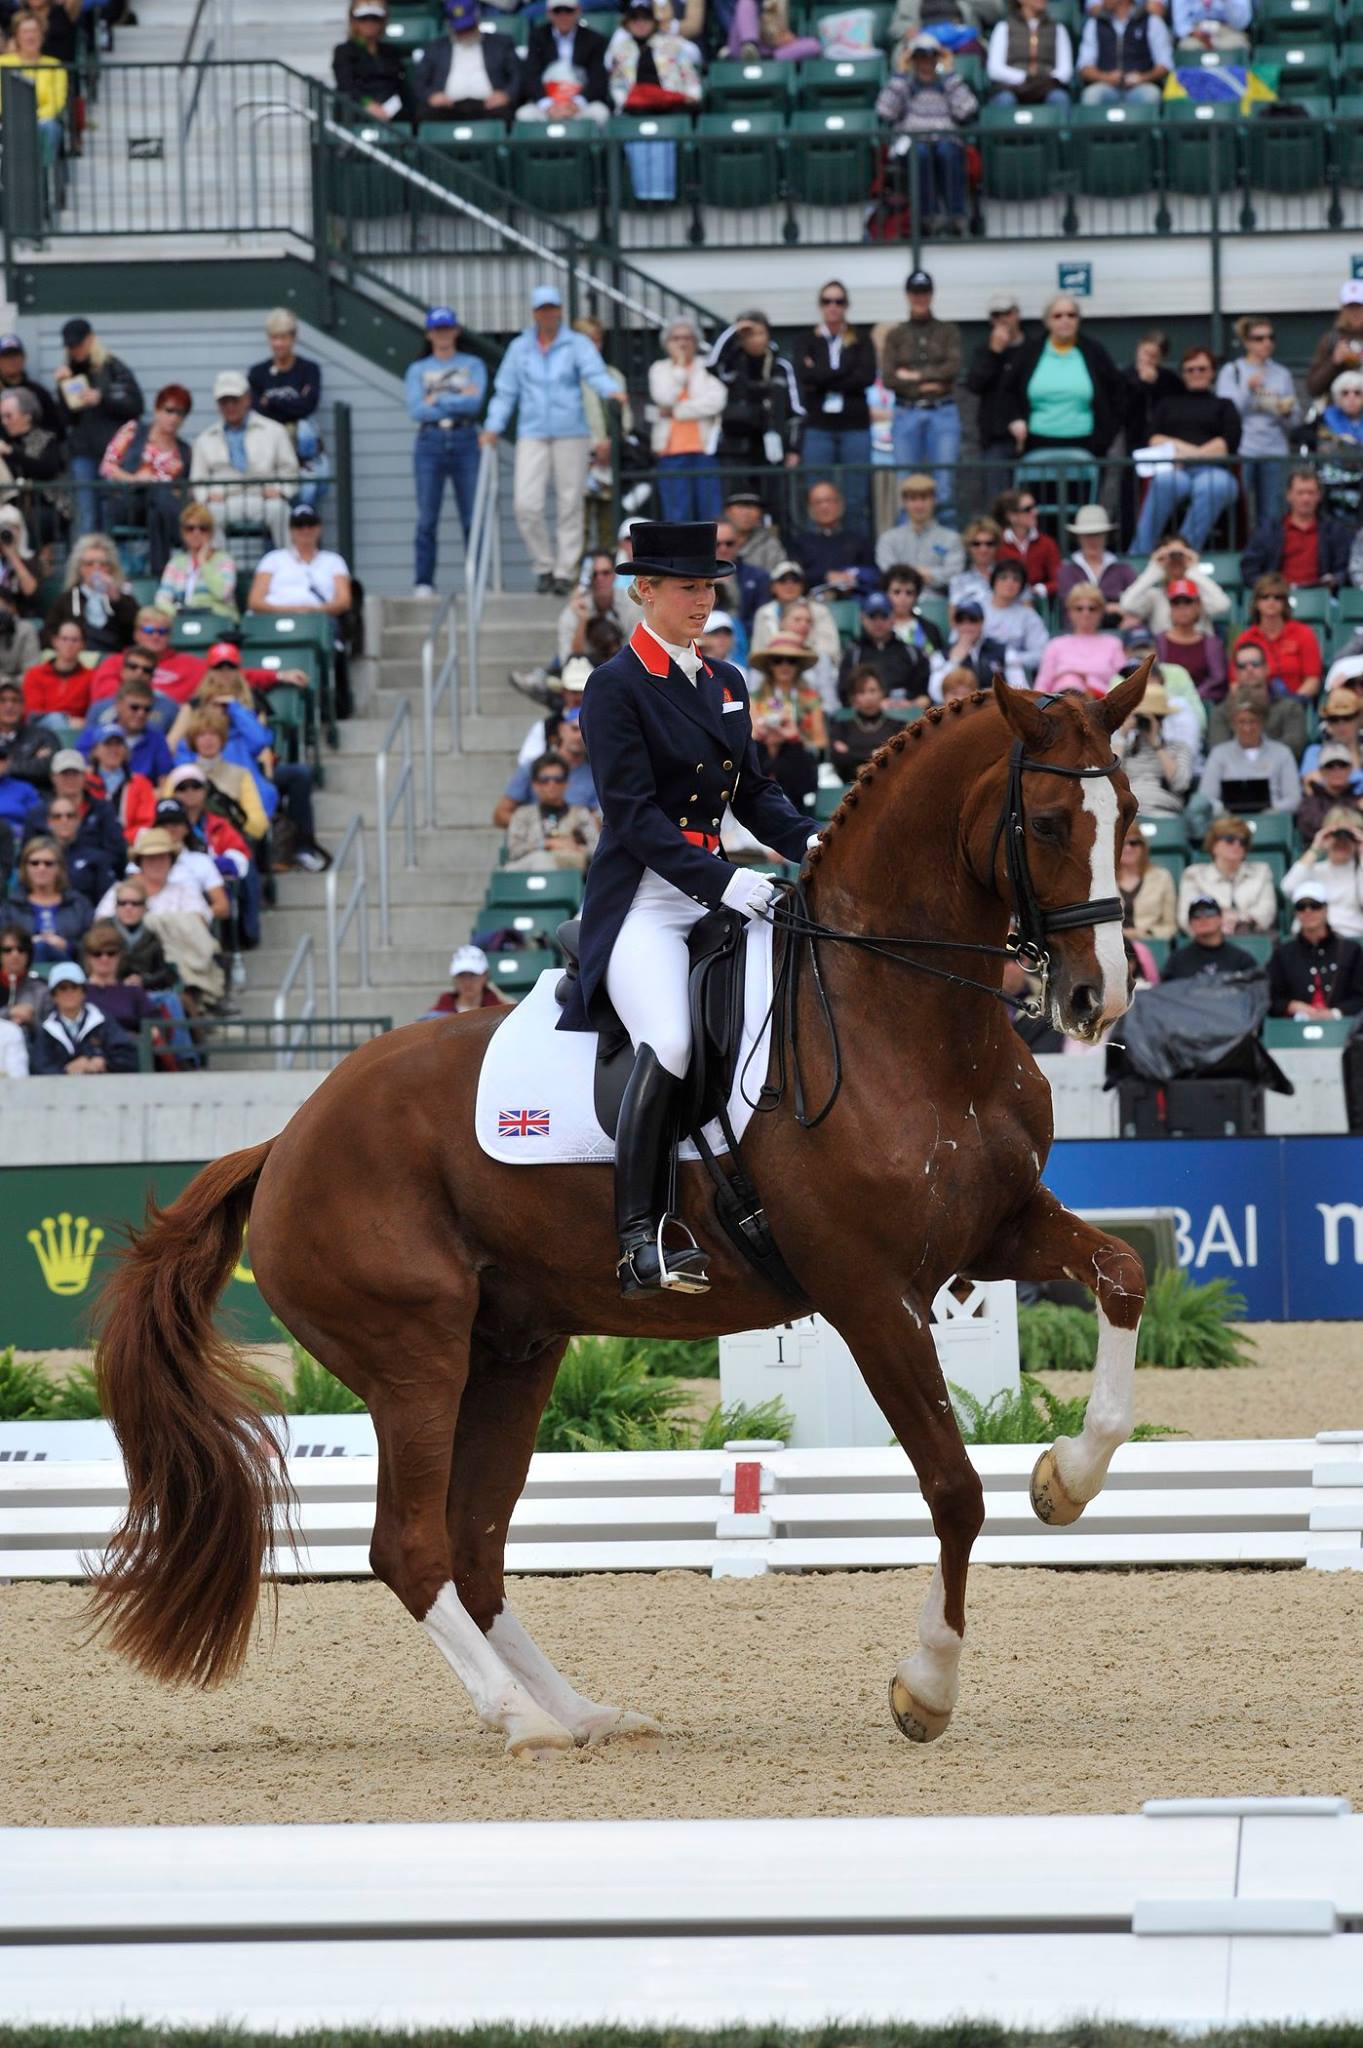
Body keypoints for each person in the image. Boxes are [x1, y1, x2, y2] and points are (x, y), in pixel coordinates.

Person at [556, 519, 818, 1296]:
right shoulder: (614, 685)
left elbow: (757, 796)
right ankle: (641, 1238)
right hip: (645, 899)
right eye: (686, 587)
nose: (701, 601)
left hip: (714, 887)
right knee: (669, 1041)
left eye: (707, 587)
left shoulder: (727, 682)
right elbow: (631, 817)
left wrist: (820, 846)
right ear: (645, 590)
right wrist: (721, 878)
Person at [481, 285, 621, 596]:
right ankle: (543, 564)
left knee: (570, 501)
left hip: (571, 430)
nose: (548, 314)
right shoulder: (520, 347)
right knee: (526, 504)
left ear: (560, 311)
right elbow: (506, 391)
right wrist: (493, 426)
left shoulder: (576, 343)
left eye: (553, 308)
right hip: (532, 432)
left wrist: (611, 390)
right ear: (534, 313)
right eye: (542, 309)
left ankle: (564, 570)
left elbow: (594, 372)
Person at [406, 305, 487, 596]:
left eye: (447, 328)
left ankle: (478, 580)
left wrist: (436, 398)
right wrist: (456, 395)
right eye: (437, 329)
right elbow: (416, 409)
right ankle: (424, 581)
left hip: (465, 437)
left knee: (471, 516)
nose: (443, 334)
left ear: (456, 331)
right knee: (427, 517)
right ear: (429, 334)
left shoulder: (473, 364)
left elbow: (474, 404)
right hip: (430, 442)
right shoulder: (418, 368)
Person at [1131, 345, 1242, 556]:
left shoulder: (1224, 405)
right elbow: (1154, 438)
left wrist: (1183, 452)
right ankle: (1139, 553)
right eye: (1190, 369)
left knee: (1214, 486)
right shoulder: (1168, 404)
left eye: (1202, 369)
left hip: (1212, 471)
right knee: (1164, 482)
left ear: (1212, 372)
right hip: (1174, 469)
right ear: (1183, 373)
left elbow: (1227, 443)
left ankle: (1181, 553)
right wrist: (1193, 452)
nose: (1196, 374)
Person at [876, 39, 978, 246]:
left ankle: (955, 217)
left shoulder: (948, 83)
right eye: (919, 58)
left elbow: (967, 108)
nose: (925, 63)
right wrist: (900, 74)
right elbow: (885, 111)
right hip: (913, 141)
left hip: (945, 139)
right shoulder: (904, 84)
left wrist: (950, 75)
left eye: (930, 58)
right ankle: (927, 218)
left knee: (947, 151)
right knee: (920, 154)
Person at [1002, 293, 1123, 461]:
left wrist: (1105, 437)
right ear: (1047, 321)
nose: (1065, 320)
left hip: (1086, 442)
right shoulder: (1030, 352)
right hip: (1037, 441)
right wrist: (1015, 419)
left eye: (1071, 315)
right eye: (1057, 316)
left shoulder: (1093, 351)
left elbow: (1116, 392)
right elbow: (1008, 391)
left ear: (1078, 320)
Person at [52, 318, 144, 535]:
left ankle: (108, 564)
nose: (75, 350)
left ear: (91, 340)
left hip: (114, 454)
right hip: (83, 454)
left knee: (110, 513)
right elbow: (65, 420)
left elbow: (136, 406)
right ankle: (85, 564)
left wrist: (102, 398)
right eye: (71, 346)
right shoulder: (69, 374)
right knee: (86, 514)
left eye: (79, 344)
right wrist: (62, 388)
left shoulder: (114, 368)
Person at [795, 284, 876, 524]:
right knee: (817, 493)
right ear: (820, 305)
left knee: (855, 495)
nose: (833, 306)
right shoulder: (805, 339)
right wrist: (845, 372)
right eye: (827, 301)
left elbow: (866, 376)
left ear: (846, 305)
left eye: (839, 301)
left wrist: (821, 375)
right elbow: (804, 376)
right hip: (819, 424)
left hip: (855, 424)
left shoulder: (861, 338)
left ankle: (856, 553)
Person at [880, 271, 962, 510]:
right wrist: (929, 382)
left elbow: (953, 368)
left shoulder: (948, 331)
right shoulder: (896, 334)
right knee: (906, 483)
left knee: (944, 483)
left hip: (942, 410)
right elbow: (889, 377)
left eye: (924, 292)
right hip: (906, 411)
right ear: (907, 295)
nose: (920, 298)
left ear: (931, 295)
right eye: (915, 293)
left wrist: (915, 376)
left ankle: (943, 544)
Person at [190, 370, 299, 548]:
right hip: (224, 500)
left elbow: (290, 469)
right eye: (224, 401)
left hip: (264, 498)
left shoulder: (274, 430)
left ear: (247, 399)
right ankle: (220, 571)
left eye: (235, 400)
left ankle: (290, 567)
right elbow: (198, 480)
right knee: (207, 516)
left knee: (281, 510)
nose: (230, 406)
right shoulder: (205, 439)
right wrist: (207, 496)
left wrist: (280, 490)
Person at [705, 310, 804, 504]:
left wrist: (794, 448)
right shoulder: (731, 364)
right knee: (737, 501)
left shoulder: (782, 366)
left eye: (760, 333)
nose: (755, 340)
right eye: (748, 334)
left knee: (773, 502)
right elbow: (711, 364)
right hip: (735, 446)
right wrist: (733, 330)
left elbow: (797, 411)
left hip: (771, 445)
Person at [1213, 318, 1297, 535]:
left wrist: (1285, 411)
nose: (1266, 343)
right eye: (1259, 338)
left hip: (1274, 450)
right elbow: (1227, 413)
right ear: (1246, 342)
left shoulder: (1282, 373)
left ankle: (1270, 557)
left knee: (1272, 512)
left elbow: (1295, 418)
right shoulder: (1232, 371)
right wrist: (1248, 389)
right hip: (1243, 450)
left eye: (1270, 338)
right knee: (1238, 510)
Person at [98, 384, 193, 576]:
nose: (174, 418)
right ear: (157, 409)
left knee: (158, 505)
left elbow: (184, 488)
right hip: (128, 501)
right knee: (158, 491)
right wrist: (133, 478)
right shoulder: (134, 431)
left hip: (159, 511)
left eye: (180, 414)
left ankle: (160, 571)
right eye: (169, 410)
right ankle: (188, 541)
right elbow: (107, 467)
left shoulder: (183, 450)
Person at [647, 318, 726, 524]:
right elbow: (664, 397)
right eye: (676, 338)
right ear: (667, 343)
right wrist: (680, 368)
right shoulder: (659, 368)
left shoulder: (706, 366)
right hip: (671, 452)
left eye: (688, 338)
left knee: (709, 513)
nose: (682, 343)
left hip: (704, 450)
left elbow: (716, 400)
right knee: (677, 515)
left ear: (696, 341)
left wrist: (677, 411)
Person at [1242, 467, 1351, 593]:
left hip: (1321, 597)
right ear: (1289, 495)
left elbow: (1344, 569)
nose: (1306, 499)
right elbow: (1249, 569)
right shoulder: (1268, 531)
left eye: (1311, 493)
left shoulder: (1335, 531)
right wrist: (1269, 588)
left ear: (1319, 496)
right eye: (1300, 493)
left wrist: (1335, 580)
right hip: (1279, 599)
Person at [966, 293, 1027, 506]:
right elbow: (974, 384)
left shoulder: (1031, 348)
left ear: (1017, 315)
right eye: (996, 315)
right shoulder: (983, 350)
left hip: (1029, 438)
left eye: (1007, 313)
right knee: (998, 502)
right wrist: (994, 352)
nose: (1002, 319)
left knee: (1027, 501)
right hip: (995, 438)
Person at [412, 0, 521, 119]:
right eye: (460, 29)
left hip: (489, 106)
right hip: (447, 107)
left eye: (468, 27)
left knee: (505, 112)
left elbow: (518, 75)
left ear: (477, 19)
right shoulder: (436, 47)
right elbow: (419, 81)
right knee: (424, 113)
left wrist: (507, 95)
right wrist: (431, 96)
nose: (465, 33)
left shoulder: (501, 44)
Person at [1269, 884, 1363, 1017]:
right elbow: (1269, 998)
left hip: (1343, 1029)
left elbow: (1360, 996)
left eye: (1315, 905)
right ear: (1295, 913)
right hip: (1295, 1029)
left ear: (1325, 909)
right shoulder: (1283, 953)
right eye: (1301, 907)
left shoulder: (1351, 950)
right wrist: (1291, 1006)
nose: (1308, 911)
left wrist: (1335, 1013)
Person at [30, 960, 137, 1075]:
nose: (69, 993)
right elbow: (39, 1067)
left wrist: (103, 1062)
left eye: (74, 987)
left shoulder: (102, 1021)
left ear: (84, 992)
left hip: (103, 1088)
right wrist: (66, 1071)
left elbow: (128, 1057)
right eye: (63, 988)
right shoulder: (47, 1029)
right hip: (60, 1091)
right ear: (54, 996)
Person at [247, 503, 352, 619]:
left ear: (319, 528)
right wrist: (290, 611)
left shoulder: (334, 560)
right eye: (299, 525)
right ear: (291, 530)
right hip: (275, 620)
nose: (305, 529)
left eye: (310, 524)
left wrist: (316, 611)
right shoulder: (272, 559)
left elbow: (344, 601)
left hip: (318, 620)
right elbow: (255, 601)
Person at [1177, 816, 1278, 933]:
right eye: (1230, 840)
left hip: (1250, 936)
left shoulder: (1261, 872)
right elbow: (1186, 918)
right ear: (1214, 845)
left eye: (1243, 842)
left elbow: (1266, 914)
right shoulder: (1194, 875)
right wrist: (1219, 922)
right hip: (1208, 939)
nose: (1237, 845)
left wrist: (1237, 919)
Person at [504, 749, 600, 871]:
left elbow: (596, 850)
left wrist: (576, 847)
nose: (552, 784)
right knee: (541, 860)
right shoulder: (523, 814)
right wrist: (548, 844)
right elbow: (513, 851)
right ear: (535, 784)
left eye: (558, 779)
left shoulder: (581, 814)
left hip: (571, 872)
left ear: (566, 783)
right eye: (545, 780)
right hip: (526, 875)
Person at [1233, 573, 1323, 702]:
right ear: (1256, 602)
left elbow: (1312, 680)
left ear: (1285, 603)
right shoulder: (1245, 638)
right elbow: (1235, 683)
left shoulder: (1304, 633)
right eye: (1265, 597)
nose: (1271, 601)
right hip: (1255, 708)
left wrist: (1292, 704)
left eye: (1278, 597)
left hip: (1295, 705)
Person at [44, 533, 138, 655]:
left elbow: (136, 631)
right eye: (89, 564)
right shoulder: (66, 599)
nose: (96, 569)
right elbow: (49, 634)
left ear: (110, 568)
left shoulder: (122, 598)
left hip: (115, 658)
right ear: (80, 568)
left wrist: (117, 599)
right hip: (78, 659)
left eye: (103, 564)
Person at [1111, 676, 1193, 815]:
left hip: (1165, 811)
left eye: (1156, 717)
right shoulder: (1123, 748)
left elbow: (1180, 784)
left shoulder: (1179, 748)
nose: (1146, 722)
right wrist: (1122, 735)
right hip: (1128, 813)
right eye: (1141, 717)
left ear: (1162, 720)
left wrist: (1157, 745)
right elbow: (1110, 780)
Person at [518, 0, 611, 122]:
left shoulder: (594, 39)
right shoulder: (537, 36)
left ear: (578, 11)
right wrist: (548, 105)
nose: (563, 16)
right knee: (524, 115)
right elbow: (531, 75)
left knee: (600, 113)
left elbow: (597, 78)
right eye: (557, 11)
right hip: (547, 102)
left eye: (568, 11)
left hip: (579, 103)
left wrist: (576, 104)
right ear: (549, 14)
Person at [1119, 534, 1229, 636]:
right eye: (1169, 555)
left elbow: (1222, 605)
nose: (1176, 560)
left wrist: (1193, 571)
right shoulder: (1155, 596)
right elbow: (1127, 604)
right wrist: (1154, 569)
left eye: (1180, 554)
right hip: (1165, 655)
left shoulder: (1200, 593)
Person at [4, 834, 92, 961]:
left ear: (59, 868)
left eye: (48, 863)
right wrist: (27, 946)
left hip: (71, 971)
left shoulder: (78, 904)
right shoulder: (11, 907)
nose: (41, 868)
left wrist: (68, 946)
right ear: (25, 867)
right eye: (35, 863)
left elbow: (93, 945)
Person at [247, 310, 322, 454]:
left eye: (283, 337)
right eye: (274, 338)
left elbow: (308, 406)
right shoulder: (257, 372)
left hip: (301, 447)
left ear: (293, 338)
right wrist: (294, 405)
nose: (278, 344)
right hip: (267, 445)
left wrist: (270, 402)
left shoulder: (309, 369)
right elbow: (257, 410)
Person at [605, 0, 701, 111]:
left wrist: (693, 96)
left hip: (671, 103)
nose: (640, 23)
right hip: (635, 108)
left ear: (654, 22)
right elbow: (616, 83)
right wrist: (623, 101)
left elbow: (689, 76)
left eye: (646, 18)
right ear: (627, 23)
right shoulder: (620, 50)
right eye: (635, 19)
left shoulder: (673, 45)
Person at [1282, 809, 1363, 939]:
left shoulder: (1360, 870)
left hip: (1352, 939)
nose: (1341, 842)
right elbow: (1288, 889)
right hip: (1310, 938)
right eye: (1336, 836)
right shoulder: (1313, 869)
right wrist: (1316, 848)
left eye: (1348, 836)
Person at [79, 667, 175, 777]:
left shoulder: (157, 739)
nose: (141, 713)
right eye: (134, 707)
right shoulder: (94, 734)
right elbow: (80, 770)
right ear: (118, 705)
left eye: (147, 709)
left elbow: (165, 779)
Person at [153, 502, 241, 622]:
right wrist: (177, 614)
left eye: (202, 528)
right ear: (183, 533)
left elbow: (223, 593)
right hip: (183, 619)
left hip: (217, 620)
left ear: (211, 532)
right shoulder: (176, 562)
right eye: (190, 528)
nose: (196, 533)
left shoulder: (224, 560)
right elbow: (162, 598)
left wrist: (203, 562)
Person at [1034, 583, 1125, 697]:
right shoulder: (1055, 644)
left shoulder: (1113, 643)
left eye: (1092, 608)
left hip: (1101, 704)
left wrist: (1086, 680)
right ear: (1070, 612)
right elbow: (1042, 685)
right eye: (1079, 608)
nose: (1086, 613)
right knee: (1069, 682)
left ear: (1101, 612)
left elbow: (1123, 682)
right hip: (1061, 704)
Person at [80, 920, 164, 1043]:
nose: (104, 958)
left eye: (111, 953)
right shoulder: (78, 992)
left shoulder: (133, 992)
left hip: (129, 1052)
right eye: (97, 954)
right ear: (88, 958)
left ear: (120, 956)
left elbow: (155, 1026)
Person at [0, 16, 67, 169]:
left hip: (41, 121)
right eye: (25, 32)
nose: (30, 36)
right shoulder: (2, 63)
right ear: (17, 36)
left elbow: (57, 101)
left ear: (42, 35)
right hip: (6, 119)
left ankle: (43, 179)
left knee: (49, 128)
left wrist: (32, 118)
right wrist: (16, 118)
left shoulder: (54, 65)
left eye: (34, 31)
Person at [333, 0, 416, 122]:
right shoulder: (344, 51)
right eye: (363, 18)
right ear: (353, 21)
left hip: (393, 110)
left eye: (375, 18)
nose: (369, 23)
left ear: (383, 21)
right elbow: (347, 85)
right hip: (359, 110)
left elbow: (399, 85)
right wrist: (368, 104)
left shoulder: (391, 52)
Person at [875, 472, 964, 586]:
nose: (919, 505)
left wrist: (908, 574)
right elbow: (889, 573)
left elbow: (954, 574)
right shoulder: (888, 539)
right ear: (904, 502)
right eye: (913, 499)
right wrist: (928, 574)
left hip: (939, 600)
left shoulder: (952, 539)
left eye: (924, 498)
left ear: (934, 500)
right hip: (900, 601)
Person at [789, 482, 874, 596]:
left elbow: (873, 574)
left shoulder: (857, 540)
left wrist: (853, 576)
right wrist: (826, 576)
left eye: (829, 500)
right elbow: (794, 577)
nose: (824, 506)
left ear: (840, 504)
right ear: (810, 509)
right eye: (818, 502)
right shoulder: (800, 543)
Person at [1076, 0, 1170, 102]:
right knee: (1091, 96)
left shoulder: (1151, 21)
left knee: (1151, 95)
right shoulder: (1094, 23)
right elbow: (1084, 67)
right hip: (1105, 86)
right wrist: (1105, 77)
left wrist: (1142, 78)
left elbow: (1165, 65)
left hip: (1142, 86)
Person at [750, 561, 841, 666]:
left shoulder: (820, 611)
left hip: (811, 667)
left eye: (795, 580)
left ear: (802, 586)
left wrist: (799, 647)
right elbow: (757, 651)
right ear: (772, 586)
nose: (789, 585)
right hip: (772, 668)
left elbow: (830, 651)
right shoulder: (763, 612)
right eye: (782, 580)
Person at [987, 0, 1074, 106]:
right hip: (1012, 87)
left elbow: (1065, 71)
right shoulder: (1004, 27)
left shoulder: (1058, 28)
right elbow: (995, 69)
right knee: (1005, 100)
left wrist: (1043, 81)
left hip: (1047, 87)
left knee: (1059, 99)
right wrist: (1025, 78)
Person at [1056, 504, 1136, 617]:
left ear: (1106, 536)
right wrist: (1112, 607)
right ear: (1079, 537)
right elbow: (1069, 605)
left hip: (1118, 630)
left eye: (1097, 535)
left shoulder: (1123, 569)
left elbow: (1138, 601)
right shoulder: (1067, 571)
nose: (1092, 540)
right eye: (1087, 535)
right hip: (1078, 632)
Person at [750, 632, 830, 743]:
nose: (785, 666)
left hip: (800, 757)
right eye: (777, 660)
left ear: (799, 666)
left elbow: (820, 741)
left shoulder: (811, 699)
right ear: (770, 665)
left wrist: (796, 738)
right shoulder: (755, 699)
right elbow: (750, 737)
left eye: (792, 660)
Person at [829, 666, 904, 782]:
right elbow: (838, 759)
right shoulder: (841, 728)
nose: (868, 697)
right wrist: (877, 754)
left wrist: (852, 753)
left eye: (872, 690)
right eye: (861, 692)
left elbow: (902, 757)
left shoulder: (898, 726)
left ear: (882, 693)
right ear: (853, 697)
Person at [1156, 578, 1225, 702]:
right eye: (1176, 603)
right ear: (1170, 608)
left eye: (1187, 602)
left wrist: (1192, 696)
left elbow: (1217, 678)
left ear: (1197, 605)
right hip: (1167, 702)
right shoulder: (1159, 641)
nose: (1182, 608)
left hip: (1203, 703)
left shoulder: (1212, 643)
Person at [981, 556, 1048, 683]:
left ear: (1021, 586)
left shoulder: (1028, 615)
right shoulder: (977, 607)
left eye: (1016, 579)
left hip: (1012, 673)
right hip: (977, 668)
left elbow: (1041, 653)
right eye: (1003, 577)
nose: (1009, 583)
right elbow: (957, 640)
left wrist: (1011, 659)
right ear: (993, 580)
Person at [87, 724, 156, 843]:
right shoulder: (85, 782)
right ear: (95, 751)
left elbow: (147, 821)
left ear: (125, 750)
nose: (114, 749)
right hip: (91, 844)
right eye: (108, 744)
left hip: (129, 846)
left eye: (118, 744)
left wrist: (121, 839)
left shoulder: (141, 783)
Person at [1163, 897, 1260, 979]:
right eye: (1196, 915)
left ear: (1220, 919)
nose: (1203, 919)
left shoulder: (1241, 959)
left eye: (1209, 913)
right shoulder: (1177, 961)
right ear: (1190, 923)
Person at [106, 871, 173, 989]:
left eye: (135, 903)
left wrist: (143, 980)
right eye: (123, 903)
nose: (128, 908)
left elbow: (166, 975)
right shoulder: (101, 933)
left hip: (145, 994)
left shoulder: (153, 935)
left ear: (145, 908)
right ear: (115, 907)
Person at [23, 619, 92, 731]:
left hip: (77, 732)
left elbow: (93, 712)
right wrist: (65, 720)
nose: (69, 644)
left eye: (75, 640)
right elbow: (33, 713)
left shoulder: (91, 676)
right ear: (55, 641)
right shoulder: (35, 674)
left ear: (82, 645)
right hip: (40, 730)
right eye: (64, 639)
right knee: (55, 719)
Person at [1315, 371, 1363, 526]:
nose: (1351, 397)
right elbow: (1300, 433)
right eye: (1345, 393)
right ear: (1337, 397)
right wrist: (1336, 439)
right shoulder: (1327, 416)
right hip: (1336, 478)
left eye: (1357, 392)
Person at [994, 487, 1060, 598]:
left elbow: (1059, 580)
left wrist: (1040, 589)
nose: (1035, 512)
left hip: (1037, 605)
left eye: (1034, 507)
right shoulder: (997, 543)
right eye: (1028, 509)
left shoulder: (1047, 544)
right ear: (1011, 516)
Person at [1118, 824, 1177, 940]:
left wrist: (1148, 932)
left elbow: (1170, 926)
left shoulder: (1162, 877)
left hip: (1150, 944)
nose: (1128, 848)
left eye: (1134, 843)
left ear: (1143, 847)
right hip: (1112, 946)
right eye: (1122, 843)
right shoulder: (1105, 879)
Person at [0, 332, 61, 442]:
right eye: (6, 356)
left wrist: (21, 452)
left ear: (24, 358)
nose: (12, 360)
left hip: (32, 454)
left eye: (15, 355)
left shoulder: (39, 393)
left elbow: (53, 429)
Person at [1307, 281, 1363, 401]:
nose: (1355, 312)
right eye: (1350, 307)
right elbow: (1313, 388)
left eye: (1359, 307)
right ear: (1342, 310)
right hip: (1337, 414)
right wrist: (1334, 361)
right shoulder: (1331, 339)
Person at [429, 943, 512, 1015]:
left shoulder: (497, 1009)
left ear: (485, 976)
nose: (467, 982)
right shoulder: (440, 1011)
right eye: (461, 975)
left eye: (473, 975)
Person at [1, 921, 49, 1036]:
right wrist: (8, 1013)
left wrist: (31, 1021)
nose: (15, 954)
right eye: (8, 950)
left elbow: (51, 1033)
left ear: (29, 954)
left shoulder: (41, 989)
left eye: (21, 949)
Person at [725, 0, 820, 57]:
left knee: (813, 45)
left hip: (771, 53)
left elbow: (783, 37)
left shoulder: (780, 4)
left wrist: (785, 39)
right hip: (741, 47)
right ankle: (750, 45)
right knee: (746, 3)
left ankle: (762, 59)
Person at [949, 517, 1001, 612]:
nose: (983, 549)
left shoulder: (1011, 577)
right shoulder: (958, 582)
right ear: (968, 547)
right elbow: (954, 622)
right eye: (976, 544)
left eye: (989, 543)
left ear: (997, 546)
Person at [1170, 0, 1249, 52]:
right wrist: (1192, 32)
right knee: (1187, 47)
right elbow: (1180, 24)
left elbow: (1241, 23)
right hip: (1195, 32)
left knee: (1237, 46)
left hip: (1228, 31)